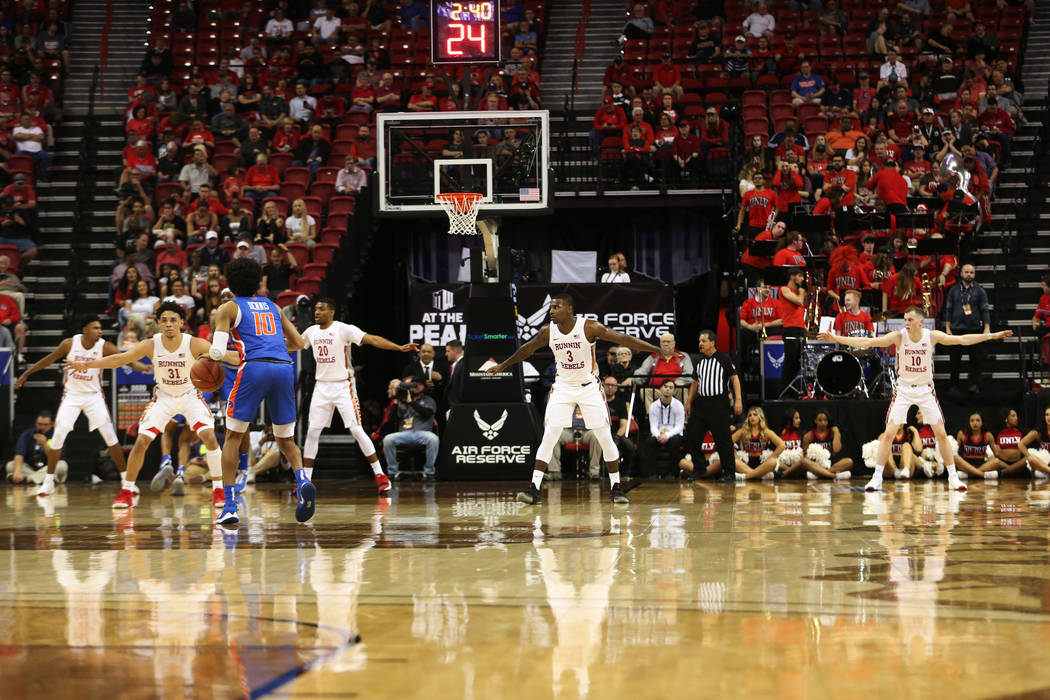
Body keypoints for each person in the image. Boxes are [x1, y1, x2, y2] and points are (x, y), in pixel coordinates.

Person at [487, 293, 663, 504]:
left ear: (569, 309)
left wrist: (655, 350)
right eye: (550, 307)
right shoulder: (547, 331)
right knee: (550, 434)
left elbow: (622, 338)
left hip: (589, 388)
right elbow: (527, 349)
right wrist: (503, 365)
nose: (551, 311)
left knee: (604, 436)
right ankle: (533, 488)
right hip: (562, 387)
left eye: (556, 307)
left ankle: (616, 487)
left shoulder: (589, 327)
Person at [819, 305, 1012, 492]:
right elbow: (868, 342)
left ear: (921, 322)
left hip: (925, 390)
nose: (906, 323)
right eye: (905, 320)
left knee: (942, 434)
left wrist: (991, 335)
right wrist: (835, 337)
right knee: (888, 434)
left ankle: (953, 477)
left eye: (910, 320)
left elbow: (962, 339)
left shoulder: (932, 336)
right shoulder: (899, 336)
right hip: (903, 390)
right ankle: (876, 478)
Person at [64, 303, 238, 509]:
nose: (168, 324)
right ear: (158, 323)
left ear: (182, 322)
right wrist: (87, 364)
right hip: (163, 397)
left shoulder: (194, 343)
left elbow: (230, 356)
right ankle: (127, 491)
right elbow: (121, 358)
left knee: (209, 436)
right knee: (141, 442)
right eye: (164, 320)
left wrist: (257, 357)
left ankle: (219, 490)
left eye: (173, 320)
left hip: (190, 395)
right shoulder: (151, 344)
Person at [207, 258, 310, 525]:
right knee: (286, 439)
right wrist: (272, 344)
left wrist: (209, 357)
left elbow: (217, 350)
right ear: (257, 282)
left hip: (254, 367)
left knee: (232, 437)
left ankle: (229, 506)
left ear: (231, 281)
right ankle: (302, 480)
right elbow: (299, 342)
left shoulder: (228, 307)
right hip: (283, 367)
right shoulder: (273, 306)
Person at [298, 298, 416, 492]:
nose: (316, 312)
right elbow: (293, 345)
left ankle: (380, 474)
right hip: (321, 386)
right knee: (312, 431)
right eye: (316, 309)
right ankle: (306, 481)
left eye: (321, 309)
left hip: (344, 386)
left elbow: (372, 339)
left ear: (332, 312)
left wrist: (399, 347)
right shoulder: (310, 332)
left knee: (356, 429)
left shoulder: (343, 329)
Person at [14, 314, 129, 497]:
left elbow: (126, 358)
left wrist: (145, 367)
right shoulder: (69, 344)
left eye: (100, 328)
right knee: (58, 435)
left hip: (93, 396)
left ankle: (127, 482)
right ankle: (48, 482)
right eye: (96, 328)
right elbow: (49, 359)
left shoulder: (104, 346)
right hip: (72, 396)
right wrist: (27, 373)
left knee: (109, 435)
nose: (100, 331)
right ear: (85, 330)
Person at [684, 329, 743, 483]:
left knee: (723, 439)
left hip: (719, 403)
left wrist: (738, 400)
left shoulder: (723, 358)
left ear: (712, 342)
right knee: (693, 435)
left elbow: (735, 379)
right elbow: (695, 383)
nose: (700, 344)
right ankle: (699, 468)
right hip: (702, 404)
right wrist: (689, 402)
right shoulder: (699, 361)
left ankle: (729, 472)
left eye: (703, 341)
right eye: (699, 341)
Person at [381, 376, 439, 480]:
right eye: (414, 384)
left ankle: (429, 472)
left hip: (423, 433)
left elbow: (426, 414)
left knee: (433, 439)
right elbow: (391, 420)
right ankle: (392, 472)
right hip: (404, 433)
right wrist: (396, 401)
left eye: (419, 384)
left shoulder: (429, 400)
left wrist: (411, 402)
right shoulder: (402, 400)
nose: (416, 387)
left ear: (424, 387)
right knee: (388, 439)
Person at [943, 263, 990, 392]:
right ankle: (953, 384)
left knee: (975, 359)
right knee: (955, 359)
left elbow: (985, 309)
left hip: (974, 329)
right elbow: (948, 309)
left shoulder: (979, 290)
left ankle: (974, 384)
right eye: (966, 272)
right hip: (956, 328)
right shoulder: (953, 289)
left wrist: (986, 328)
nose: (969, 274)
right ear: (961, 273)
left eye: (971, 272)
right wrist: (948, 327)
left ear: (974, 274)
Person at [6, 411, 67, 485]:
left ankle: (28, 480)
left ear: (52, 424)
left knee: (62, 465)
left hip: (48, 468)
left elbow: (55, 458)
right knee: (10, 465)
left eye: (46, 425)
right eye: (40, 424)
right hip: (30, 469)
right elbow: (19, 454)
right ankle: (41, 479)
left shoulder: (57, 436)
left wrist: (44, 444)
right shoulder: (27, 434)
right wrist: (18, 471)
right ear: (35, 423)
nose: (42, 427)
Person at [640, 379, 685, 476]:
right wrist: (659, 436)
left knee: (675, 442)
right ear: (660, 388)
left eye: (671, 388)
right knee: (649, 443)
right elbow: (653, 426)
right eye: (665, 386)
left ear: (674, 391)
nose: (667, 389)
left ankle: (672, 472)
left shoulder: (679, 405)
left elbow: (679, 427)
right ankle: (653, 473)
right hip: (659, 434)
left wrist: (667, 435)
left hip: (674, 433)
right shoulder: (653, 406)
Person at [730, 406, 784, 480]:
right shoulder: (743, 431)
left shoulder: (766, 431)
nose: (752, 417)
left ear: (760, 417)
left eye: (755, 415)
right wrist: (735, 456)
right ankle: (761, 476)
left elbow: (781, 445)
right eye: (750, 415)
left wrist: (772, 457)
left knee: (773, 462)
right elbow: (728, 442)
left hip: (761, 462)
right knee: (734, 462)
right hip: (746, 462)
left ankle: (745, 476)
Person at [778, 268, 807, 398]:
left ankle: (793, 392)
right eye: (800, 276)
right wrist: (801, 292)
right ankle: (784, 392)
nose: (802, 279)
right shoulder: (784, 289)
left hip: (800, 329)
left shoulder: (798, 292)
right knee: (790, 362)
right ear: (792, 276)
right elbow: (799, 301)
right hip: (790, 329)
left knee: (798, 362)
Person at [800, 410, 854, 478]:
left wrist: (836, 432)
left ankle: (820, 475)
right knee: (804, 461)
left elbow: (836, 450)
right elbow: (805, 455)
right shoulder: (808, 435)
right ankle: (835, 476)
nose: (823, 423)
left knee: (849, 461)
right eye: (820, 420)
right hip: (817, 465)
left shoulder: (833, 433)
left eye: (825, 420)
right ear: (815, 421)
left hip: (831, 463)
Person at [953, 411, 1000, 479]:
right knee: (955, 458)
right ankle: (982, 475)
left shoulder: (988, 435)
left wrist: (998, 451)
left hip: (982, 465)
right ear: (969, 423)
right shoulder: (962, 434)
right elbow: (955, 452)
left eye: (978, 420)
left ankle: (970, 475)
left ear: (982, 422)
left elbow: (996, 454)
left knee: (997, 462)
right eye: (972, 421)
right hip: (966, 465)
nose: (975, 423)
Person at [988, 408, 1031, 478]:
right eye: (1013, 416)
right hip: (1002, 464)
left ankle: (1004, 473)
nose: (1016, 418)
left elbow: (1023, 450)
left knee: (1029, 459)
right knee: (992, 459)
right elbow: (995, 452)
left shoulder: (1022, 432)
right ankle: (1011, 471)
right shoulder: (996, 433)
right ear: (1006, 418)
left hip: (1018, 463)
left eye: (1016, 416)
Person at [1021, 407, 1050, 477]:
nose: (1049, 417)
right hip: (1044, 462)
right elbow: (1021, 444)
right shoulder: (1039, 432)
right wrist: (1028, 455)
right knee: (1031, 459)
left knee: (1038, 474)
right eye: (1047, 415)